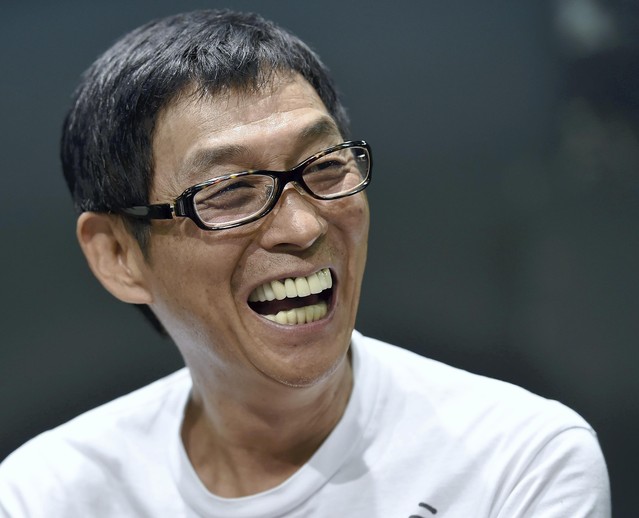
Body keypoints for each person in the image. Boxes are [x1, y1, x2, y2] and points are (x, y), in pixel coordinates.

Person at [0, 9, 610, 517]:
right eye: (231, 192)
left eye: (325, 167)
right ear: (118, 255)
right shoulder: (46, 495)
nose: (304, 226)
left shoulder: (518, 462)